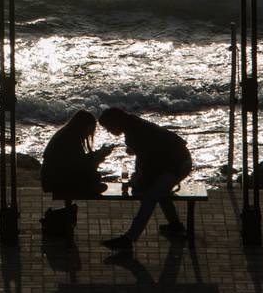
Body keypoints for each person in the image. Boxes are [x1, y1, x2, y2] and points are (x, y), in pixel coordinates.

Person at [97, 105, 192, 251]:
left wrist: (139, 182)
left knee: (151, 196)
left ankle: (129, 238)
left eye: (108, 127)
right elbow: (146, 159)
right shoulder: (134, 127)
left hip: (178, 164)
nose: (109, 131)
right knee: (160, 191)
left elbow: (146, 163)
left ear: (116, 122)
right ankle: (175, 225)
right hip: (177, 161)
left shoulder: (134, 132)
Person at [40, 109, 115, 200]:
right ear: (84, 127)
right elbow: (81, 167)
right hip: (55, 180)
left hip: (50, 177)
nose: (90, 133)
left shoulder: (67, 134)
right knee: (95, 179)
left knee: (95, 179)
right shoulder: (71, 139)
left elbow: (78, 161)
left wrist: (98, 154)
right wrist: (99, 157)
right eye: (90, 130)